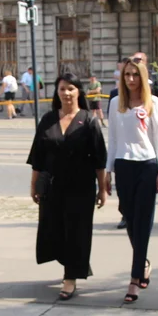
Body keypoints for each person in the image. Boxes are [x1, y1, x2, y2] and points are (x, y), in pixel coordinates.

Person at [27, 74, 108, 299]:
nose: (66, 93)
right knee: (53, 231)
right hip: (52, 186)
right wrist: (34, 185)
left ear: (79, 92)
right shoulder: (48, 120)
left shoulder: (89, 120)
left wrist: (102, 189)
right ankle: (74, 264)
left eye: (71, 89)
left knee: (76, 231)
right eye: (62, 89)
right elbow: (37, 157)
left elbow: (99, 159)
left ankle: (70, 276)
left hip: (80, 186)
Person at [106, 59, 158, 304]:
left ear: (143, 77)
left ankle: (134, 279)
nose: (131, 79)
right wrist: (108, 170)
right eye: (127, 75)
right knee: (129, 216)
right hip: (124, 165)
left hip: (147, 164)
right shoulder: (115, 103)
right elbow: (112, 139)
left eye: (136, 75)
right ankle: (143, 261)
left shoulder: (152, 102)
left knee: (143, 221)